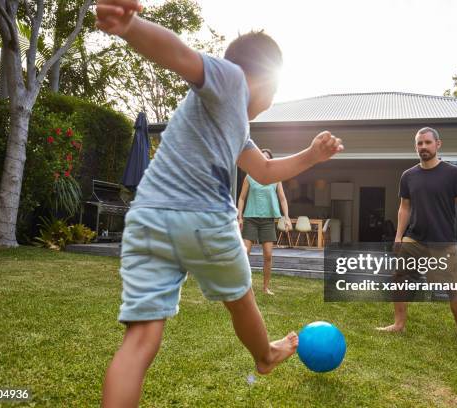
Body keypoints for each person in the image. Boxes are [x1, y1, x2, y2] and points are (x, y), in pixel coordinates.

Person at [95, 1, 344, 407]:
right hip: (204, 218)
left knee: (140, 339)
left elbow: (262, 170)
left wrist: (311, 157)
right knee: (241, 297)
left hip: (149, 218)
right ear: (263, 75)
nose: (271, 98)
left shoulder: (232, 122)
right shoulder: (231, 80)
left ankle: (265, 355)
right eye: (275, 89)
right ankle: (264, 356)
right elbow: (180, 56)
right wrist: (131, 26)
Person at [376, 127, 457, 347]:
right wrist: (398, 236)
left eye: (427, 143)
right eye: (419, 143)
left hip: (442, 241)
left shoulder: (453, 173)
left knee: (452, 288)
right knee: (399, 279)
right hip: (414, 238)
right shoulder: (408, 176)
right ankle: (398, 324)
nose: (423, 147)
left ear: (438, 144)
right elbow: (404, 208)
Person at [237, 148, 292, 295]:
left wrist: (286, 217)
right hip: (251, 219)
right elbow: (242, 198)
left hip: (267, 220)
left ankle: (265, 287)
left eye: (267, 157)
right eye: (262, 157)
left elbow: (282, 198)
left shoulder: (276, 178)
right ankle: (243, 287)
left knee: (268, 255)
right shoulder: (249, 176)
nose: (264, 160)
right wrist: (240, 216)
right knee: (245, 253)